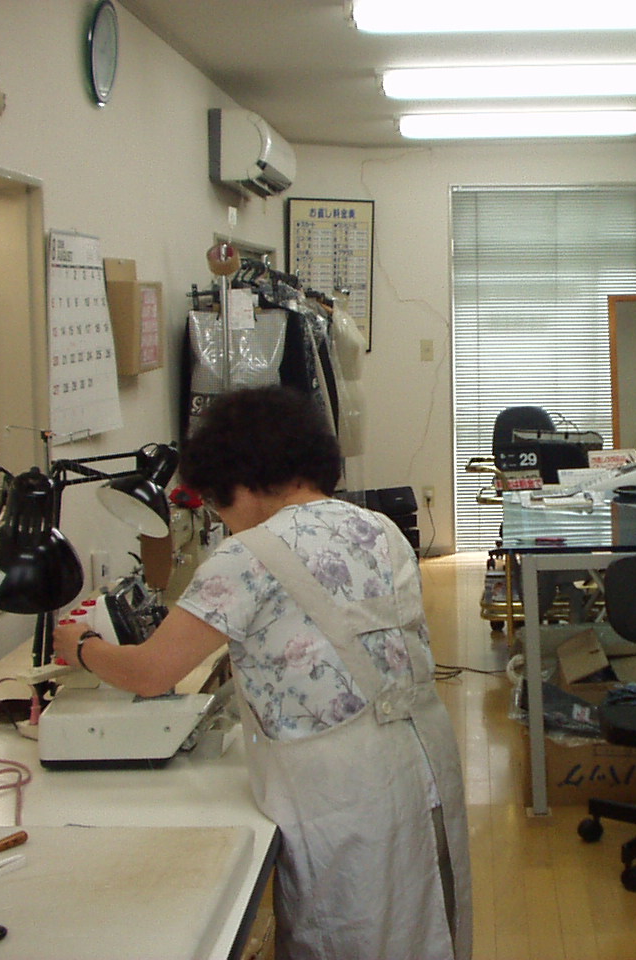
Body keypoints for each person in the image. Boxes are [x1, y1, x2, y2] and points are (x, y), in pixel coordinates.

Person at [53, 386, 472, 960]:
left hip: (340, 785)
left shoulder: (246, 556)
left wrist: (82, 646)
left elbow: (151, 672)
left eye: (218, 504)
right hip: (421, 755)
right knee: (423, 921)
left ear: (241, 481)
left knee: (347, 932)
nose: (221, 519)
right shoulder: (382, 529)